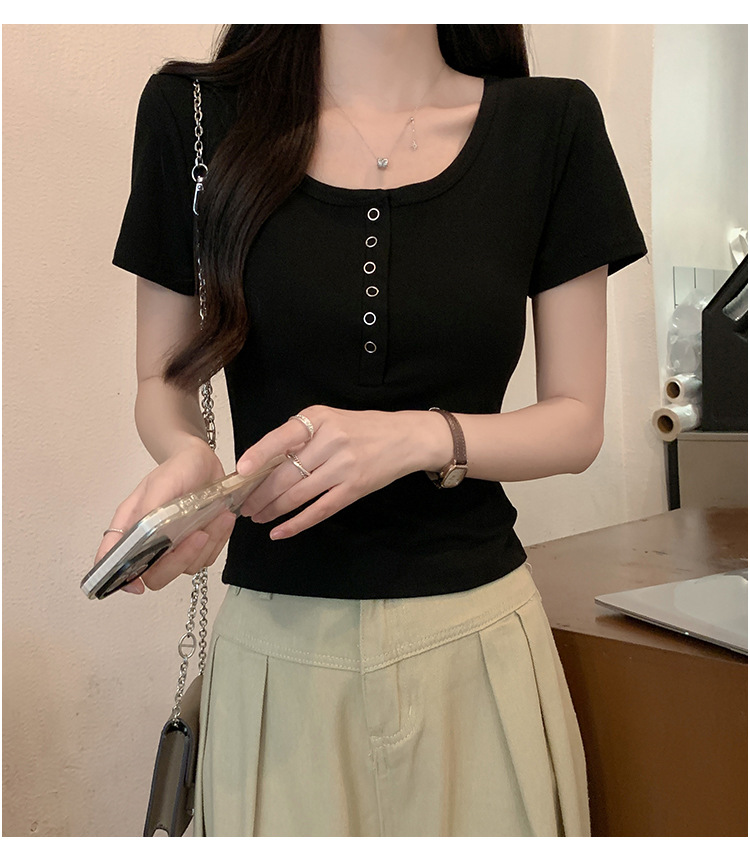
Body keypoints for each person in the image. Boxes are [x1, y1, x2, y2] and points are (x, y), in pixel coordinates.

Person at [97, 24, 647, 836]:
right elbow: (161, 380)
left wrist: (418, 439)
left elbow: (576, 421)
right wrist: (190, 459)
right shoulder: (195, 115)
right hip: (276, 658)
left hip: (477, 648)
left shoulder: (552, 124)